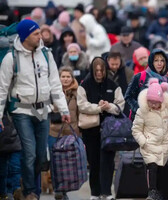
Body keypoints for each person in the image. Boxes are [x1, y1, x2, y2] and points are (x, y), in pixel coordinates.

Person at [0, 19, 71, 200]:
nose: (41, 36)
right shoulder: (11, 58)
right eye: (36, 34)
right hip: (21, 111)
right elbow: (2, 88)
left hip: (43, 110)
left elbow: (55, 84)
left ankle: (27, 184)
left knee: (41, 156)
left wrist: (64, 110)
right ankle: (30, 192)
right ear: (25, 37)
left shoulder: (46, 54)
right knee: (29, 152)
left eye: (40, 32)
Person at [77, 57, 125, 200]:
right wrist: (98, 108)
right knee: (94, 162)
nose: (99, 73)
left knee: (108, 162)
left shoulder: (113, 85)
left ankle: (107, 192)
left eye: (101, 70)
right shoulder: (84, 85)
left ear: (105, 70)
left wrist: (108, 106)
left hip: (110, 130)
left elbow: (120, 106)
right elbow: (82, 105)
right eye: (96, 70)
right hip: (90, 130)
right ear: (92, 70)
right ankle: (95, 193)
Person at [48, 66, 80, 200]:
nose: (65, 79)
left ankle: (64, 190)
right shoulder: (52, 91)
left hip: (71, 133)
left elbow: (80, 111)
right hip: (54, 131)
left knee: (68, 163)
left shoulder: (77, 93)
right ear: (59, 78)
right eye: (63, 76)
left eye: (68, 76)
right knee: (55, 162)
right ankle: (57, 189)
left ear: (72, 78)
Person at [125, 49, 168, 119]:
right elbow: (128, 96)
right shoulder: (140, 76)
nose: (159, 63)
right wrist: (139, 109)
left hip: (160, 122)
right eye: (156, 60)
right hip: (141, 121)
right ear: (151, 61)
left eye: (162, 60)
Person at [0, 116, 22, 200]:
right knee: (4, 170)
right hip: (8, 140)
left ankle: (11, 193)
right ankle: (5, 193)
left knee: (13, 169)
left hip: (14, 141)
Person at [106, 51, 134, 116]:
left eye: (117, 64)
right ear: (108, 61)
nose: (115, 66)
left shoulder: (128, 73)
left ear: (120, 61)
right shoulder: (103, 71)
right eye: (112, 64)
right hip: (107, 102)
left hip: (123, 103)